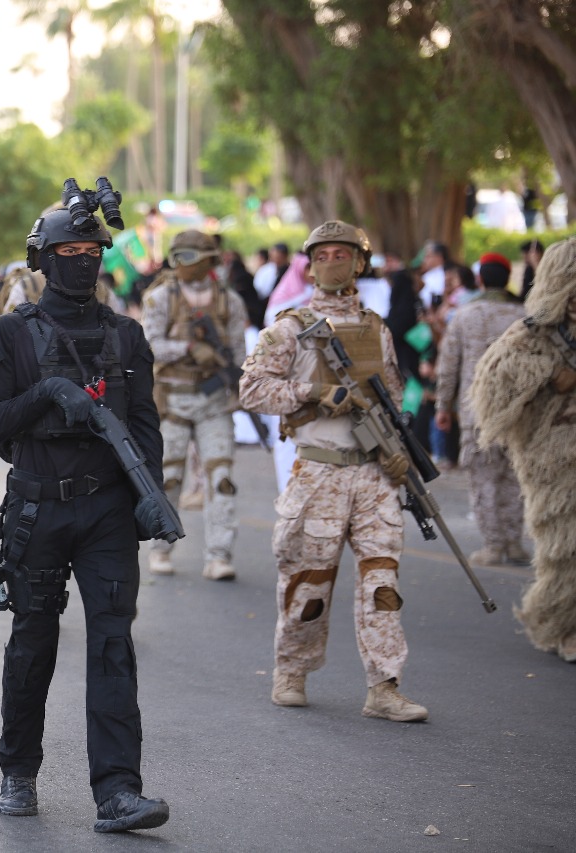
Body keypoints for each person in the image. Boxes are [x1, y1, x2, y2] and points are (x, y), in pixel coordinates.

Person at [0, 183, 169, 834]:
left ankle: (118, 790)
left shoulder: (126, 336)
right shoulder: (11, 334)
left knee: (113, 645)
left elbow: (144, 425)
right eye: (69, 251)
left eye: (93, 251)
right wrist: (49, 392)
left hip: (108, 511)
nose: (83, 261)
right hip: (38, 509)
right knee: (33, 642)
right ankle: (18, 770)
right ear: (43, 258)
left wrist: (150, 493)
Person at [239, 220, 428, 723]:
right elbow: (252, 390)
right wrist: (314, 393)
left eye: (341, 254)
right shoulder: (290, 327)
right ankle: (291, 672)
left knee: (382, 585)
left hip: (372, 477)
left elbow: (390, 398)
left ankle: (384, 686)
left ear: (360, 263)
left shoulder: (376, 329)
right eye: (320, 256)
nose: (330, 263)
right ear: (308, 267)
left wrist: (398, 453)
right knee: (309, 584)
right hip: (319, 473)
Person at [471, 237, 576, 663]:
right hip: (556, 459)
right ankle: (563, 625)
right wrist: (550, 373)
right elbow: (493, 387)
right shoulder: (534, 332)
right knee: (565, 546)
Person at [140, 230, 245, 580]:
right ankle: (161, 548)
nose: (182, 264)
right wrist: (187, 348)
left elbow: (239, 353)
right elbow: (149, 345)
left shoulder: (228, 301)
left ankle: (219, 555)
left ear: (209, 260)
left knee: (221, 478)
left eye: (189, 257)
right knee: (168, 477)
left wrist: (236, 382)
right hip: (172, 399)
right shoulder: (161, 298)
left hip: (214, 401)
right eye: (178, 257)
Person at [436, 253, 527, 567]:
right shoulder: (525, 315)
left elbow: (449, 365)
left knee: (483, 478)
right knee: (514, 478)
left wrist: (442, 406)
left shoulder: (465, 314)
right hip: (519, 411)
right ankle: (514, 542)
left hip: (477, 411)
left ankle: (493, 546)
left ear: (480, 280)